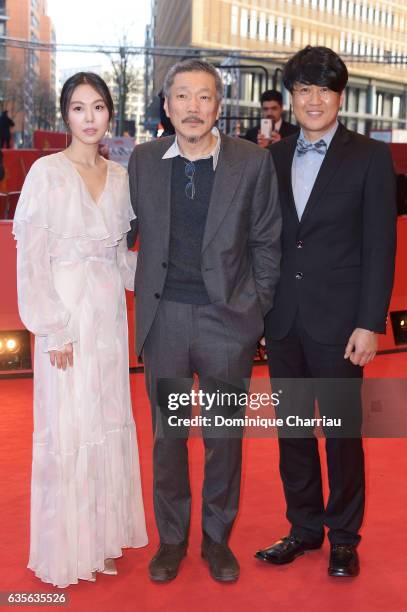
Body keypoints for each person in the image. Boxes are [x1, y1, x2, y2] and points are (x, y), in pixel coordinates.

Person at [127, 59, 281, 583]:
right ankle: (172, 541)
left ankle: (217, 540)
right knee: (168, 439)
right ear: (166, 105)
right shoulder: (144, 161)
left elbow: (266, 240)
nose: (193, 108)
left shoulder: (251, 162)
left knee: (223, 439)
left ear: (219, 105)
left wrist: (252, 310)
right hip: (165, 319)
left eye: (204, 97)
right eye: (182, 97)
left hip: (226, 323)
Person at [255, 46, 397, 578]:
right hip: (283, 319)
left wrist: (369, 321)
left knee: (340, 432)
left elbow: (380, 247)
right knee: (292, 429)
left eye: (324, 90)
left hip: (342, 323)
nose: (313, 100)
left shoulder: (369, 157)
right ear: (291, 98)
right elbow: (265, 242)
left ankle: (344, 535)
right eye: (303, 90)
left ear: (340, 96)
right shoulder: (271, 157)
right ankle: (303, 528)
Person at [13, 72, 148, 588]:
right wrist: (54, 328)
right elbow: (30, 260)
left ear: (110, 113)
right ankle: (67, 548)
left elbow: (121, 260)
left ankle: (100, 539)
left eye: (97, 107)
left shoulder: (119, 177)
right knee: (68, 426)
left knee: (108, 419)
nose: (89, 118)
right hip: (65, 317)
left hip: (109, 317)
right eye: (78, 108)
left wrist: (170, 279)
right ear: (65, 115)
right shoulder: (46, 174)